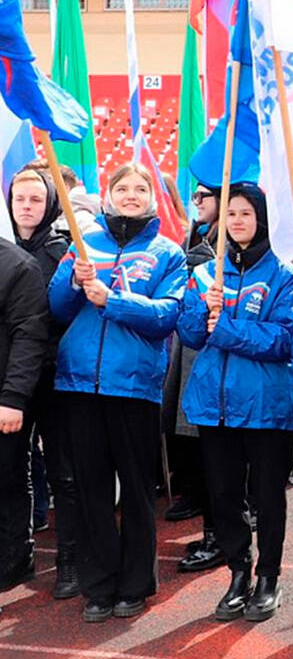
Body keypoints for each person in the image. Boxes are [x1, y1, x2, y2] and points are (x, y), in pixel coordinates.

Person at [48, 163, 186, 623]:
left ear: (151, 197)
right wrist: (72, 281)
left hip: (135, 387)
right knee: (91, 489)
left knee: (137, 490)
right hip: (79, 383)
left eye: (139, 188)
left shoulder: (168, 253)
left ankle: (135, 584)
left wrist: (115, 300)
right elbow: (58, 308)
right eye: (121, 187)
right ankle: (99, 583)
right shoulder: (84, 245)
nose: (130, 195)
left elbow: (167, 316)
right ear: (108, 195)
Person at [177, 184, 293, 622]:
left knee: (268, 497)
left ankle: (269, 576)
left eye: (245, 213)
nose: (237, 221)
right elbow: (190, 334)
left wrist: (224, 326)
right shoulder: (207, 273)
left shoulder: (285, 275)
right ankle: (237, 572)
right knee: (224, 495)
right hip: (215, 405)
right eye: (230, 214)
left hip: (266, 406)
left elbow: (286, 340)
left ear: (262, 218)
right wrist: (200, 311)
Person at [6, 166, 75, 599]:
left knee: (64, 472)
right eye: (19, 200)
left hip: (54, 375)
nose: (27, 208)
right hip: (13, 376)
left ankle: (70, 560)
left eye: (35, 200)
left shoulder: (64, 251)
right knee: (12, 469)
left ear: (49, 203)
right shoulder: (4, 249)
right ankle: (17, 553)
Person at [163, 184, 224, 576]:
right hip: (194, 355)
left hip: (229, 369)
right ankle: (208, 519)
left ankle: (224, 537)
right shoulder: (197, 237)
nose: (196, 203)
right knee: (195, 443)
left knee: (222, 458)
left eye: (204, 196)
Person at [0, 188, 51, 601]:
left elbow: (29, 336)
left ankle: (15, 558)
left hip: (4, 398)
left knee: (8, 479)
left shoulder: (19, 266)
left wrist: (14, 398)